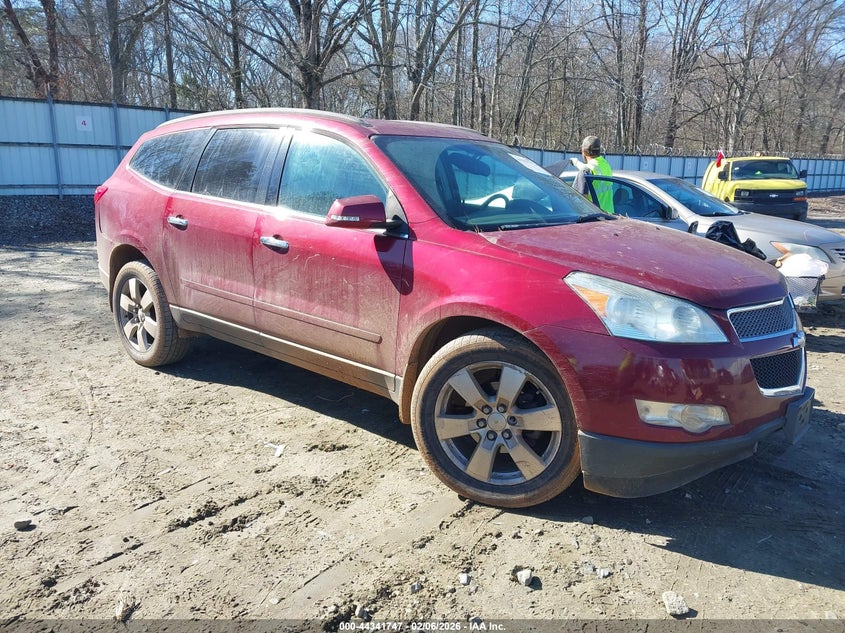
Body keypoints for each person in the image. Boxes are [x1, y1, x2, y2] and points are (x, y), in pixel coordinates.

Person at [570, 136, 614, 213]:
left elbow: (579, 201)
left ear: (583, 151)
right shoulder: (605, 165)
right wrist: (576, 163)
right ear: (599, 150)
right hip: (609, 216)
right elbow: (590, 168)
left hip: (593, 218)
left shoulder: (586, 171)